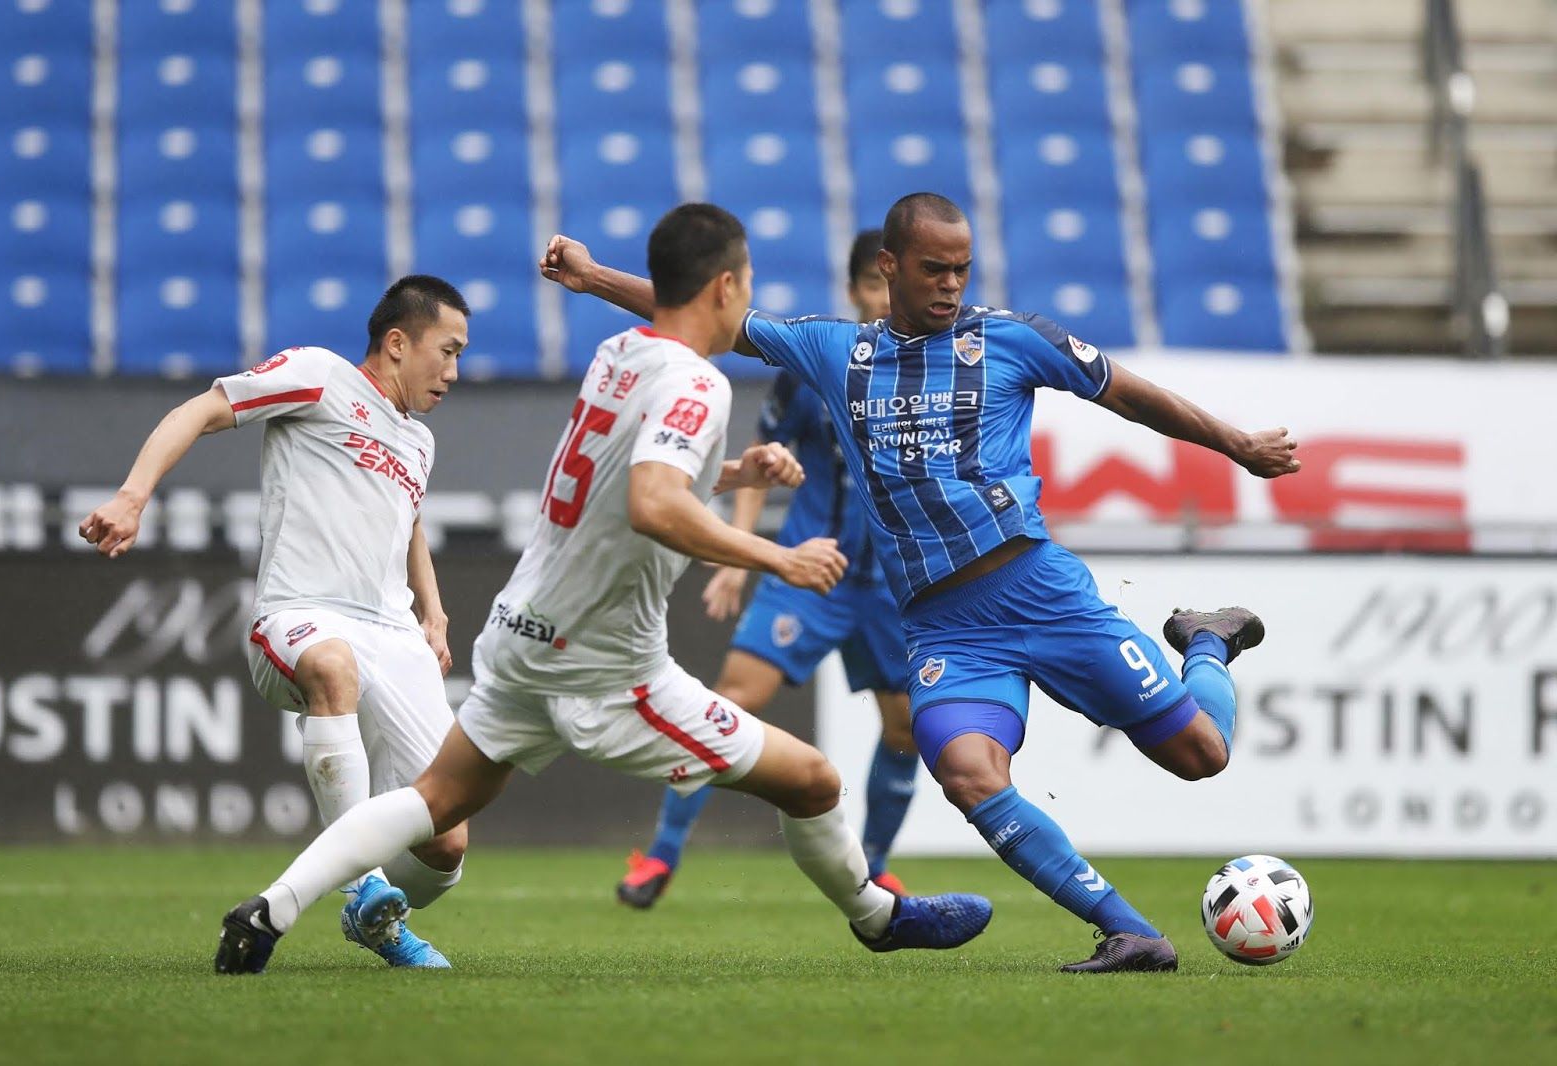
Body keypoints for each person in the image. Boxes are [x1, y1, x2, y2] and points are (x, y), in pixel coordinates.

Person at [213, 204, 992, 975]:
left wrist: (732, 475)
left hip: (523, 629)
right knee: (813, 781)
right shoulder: (700, 385)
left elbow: (625, 479)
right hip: (607, 666)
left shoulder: (621, 352)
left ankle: (269, 910)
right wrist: (775, 558)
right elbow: (652, 503)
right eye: (746, 281)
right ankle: (877, 916)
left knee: (437, 800)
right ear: (725, 287)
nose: (749, 297)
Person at [538, 192, 1303, 973]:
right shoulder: (837, 352)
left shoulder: (1013, 340)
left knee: (1202, 756)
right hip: (946, 628)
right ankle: (1130, 931)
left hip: (1041, 591)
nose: (950, 285)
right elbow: (708, 318)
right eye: (934, 269)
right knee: (968, 774)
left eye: (961, 270)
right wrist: (595, 276)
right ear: (889, 267)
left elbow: (1132, 396)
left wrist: (1237, 444)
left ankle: (1206, 641)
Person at [81, 275, 473, 969]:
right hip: (301, 613)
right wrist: (132, 496)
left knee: (446, 842)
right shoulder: (318, 376)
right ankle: (365, 888)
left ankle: (374, 914)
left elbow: (408, 522)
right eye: (446, 350)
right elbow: (203, 410)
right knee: (333, 667)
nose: (453, 371)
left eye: (460, 356)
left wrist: (434, 615)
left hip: (393, 632)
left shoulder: (419, 443)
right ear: (395, 342)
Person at [617, 230, 920, 909]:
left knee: (907, 730)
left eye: (890, 289)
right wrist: (735, 552)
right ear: (853, 291)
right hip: (809, 571)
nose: (879, 301)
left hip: (893, 587)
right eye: (870, 287)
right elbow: (761, 458)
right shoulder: (815, 366)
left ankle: (873, 863)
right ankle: (661, 854)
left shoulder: (930, 378)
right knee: (729, 701)